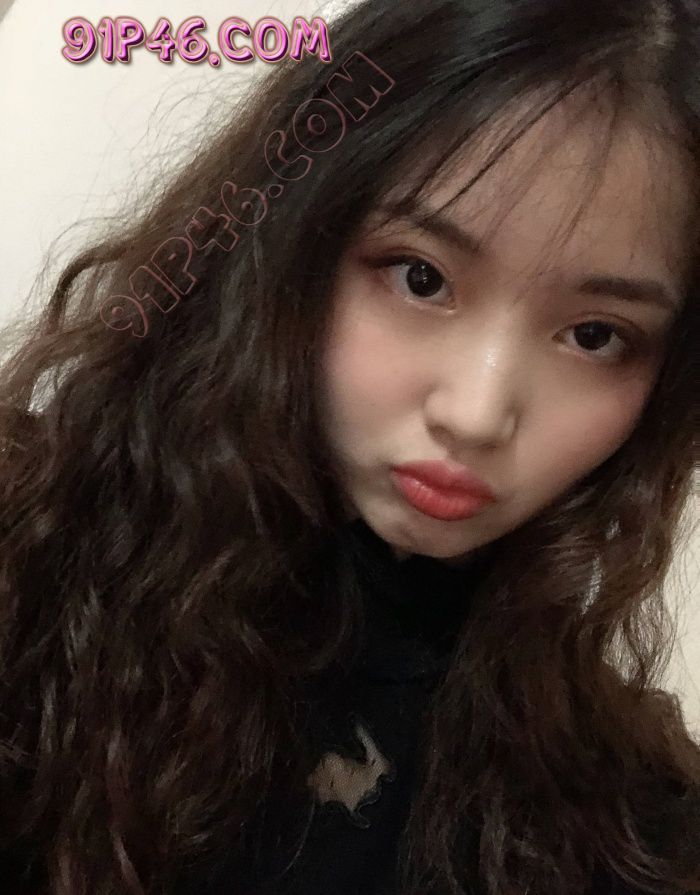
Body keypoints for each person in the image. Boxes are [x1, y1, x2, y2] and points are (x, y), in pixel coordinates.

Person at [0, 0, 698, 893]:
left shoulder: (625, 811)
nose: (477, 412)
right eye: (421, 277)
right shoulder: (32, 569)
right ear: (288, 245)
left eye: (595, 336)